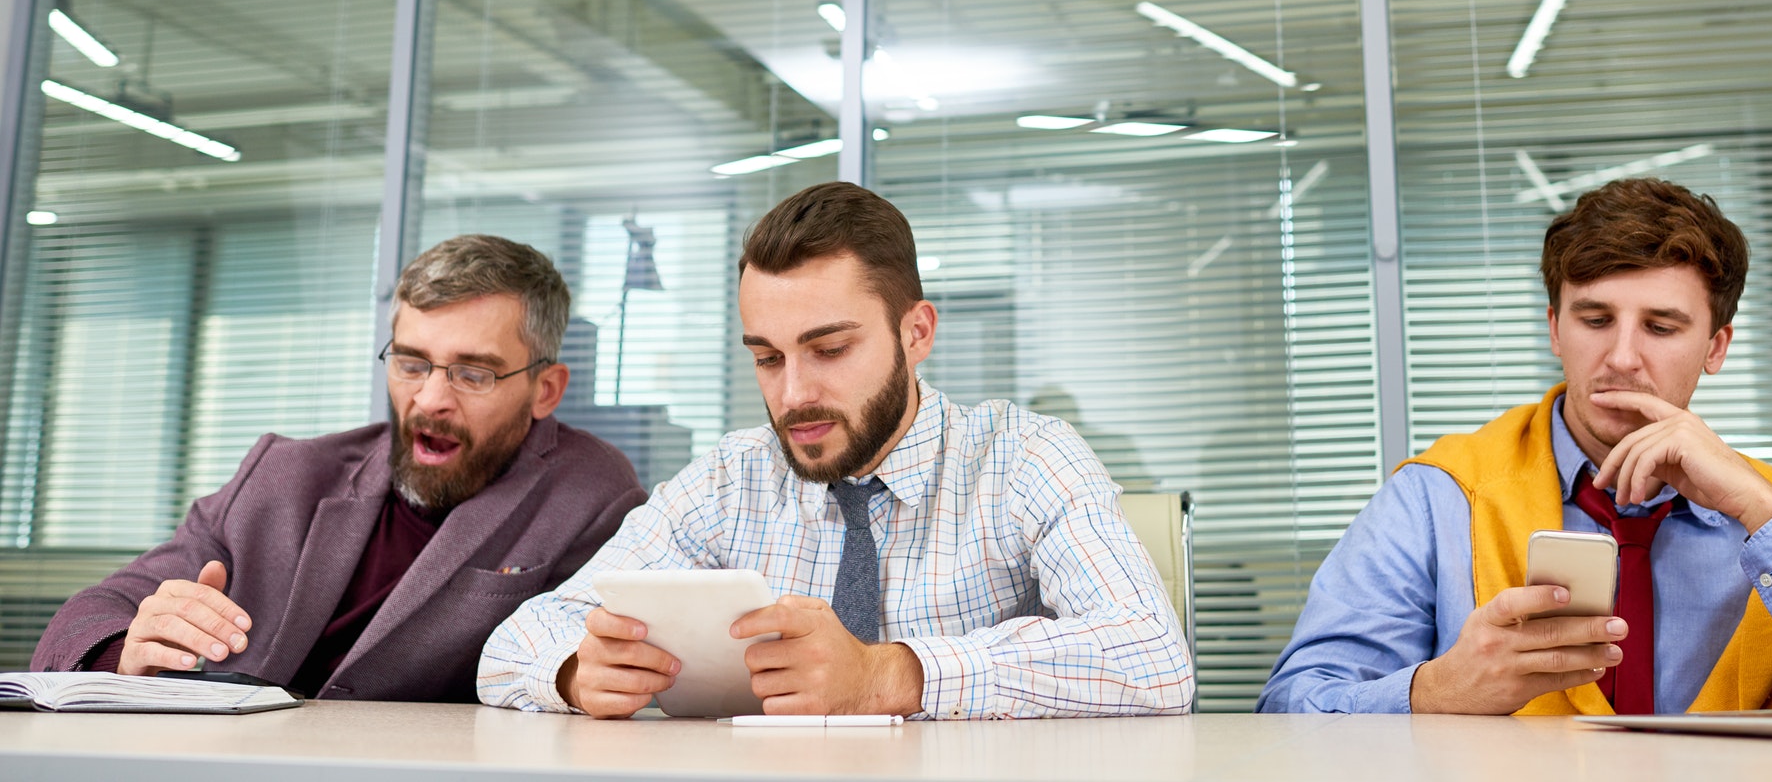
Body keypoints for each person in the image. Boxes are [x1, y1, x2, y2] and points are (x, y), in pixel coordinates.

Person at [479, 181, 1193, 719]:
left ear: (916, 333)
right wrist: (574, 670)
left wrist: (887, 674)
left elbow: (1153, 657)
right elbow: (513, 644)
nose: (793, 394)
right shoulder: (731, 479)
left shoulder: (1024, 458)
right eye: (767, 356)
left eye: (829, 348)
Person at [1259, 178, 1772, 717]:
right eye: (1595, 319)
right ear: (1556, 329)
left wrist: (1765, 517)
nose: (1622, 358)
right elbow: (1292, 706)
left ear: (1716, 348)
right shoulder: (1439, 495)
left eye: (1661, 327)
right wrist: (1437, 689)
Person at [34, 235, 648, 702]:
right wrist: (125, 651)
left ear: (545, 389)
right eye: (411, 363)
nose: (431, 398)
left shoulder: (591, 493)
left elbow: (582, 671)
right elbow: (93, 610)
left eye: (472, 373)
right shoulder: (286, 474)